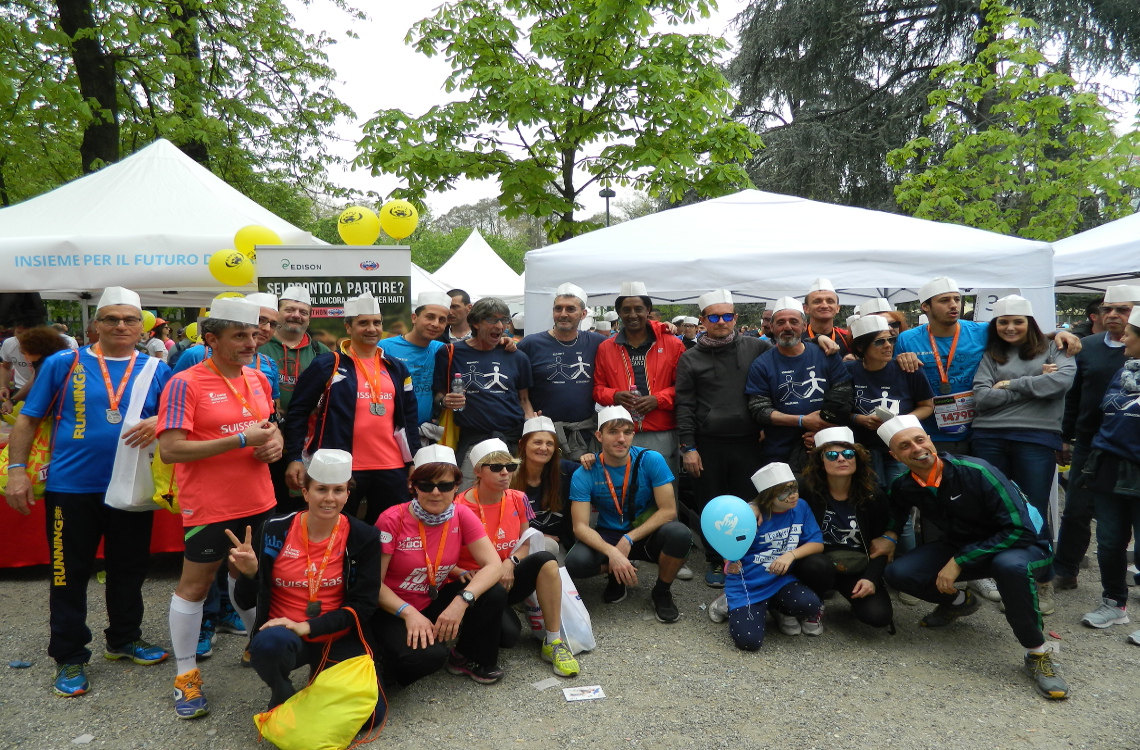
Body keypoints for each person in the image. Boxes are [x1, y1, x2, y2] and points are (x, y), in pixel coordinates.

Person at [5, 287, 171, 698]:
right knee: (67, 574)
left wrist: (159, 421)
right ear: (95, 324)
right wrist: (16, 472)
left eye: (129, 319)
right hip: (71, 488)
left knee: (129, 569)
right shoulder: (66, 361)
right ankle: (70, 655)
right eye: (111, 319)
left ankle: (124, 638)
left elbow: (173, 417)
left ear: (140, 326)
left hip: (132, 486)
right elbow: (27, 420)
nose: (120, 326)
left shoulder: (155, 368)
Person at [874, 415, 1067, 699]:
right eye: (905, 446)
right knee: (899, 573)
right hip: (965, 545)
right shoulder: (905, 484)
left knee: (1009, 567)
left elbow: (1020, 530)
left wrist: (958, 562)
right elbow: (897, 508)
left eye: (920, 439)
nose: (916, 448)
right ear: (895, 455)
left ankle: (1038, 654)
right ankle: (959, 602)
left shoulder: (977, 470)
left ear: (930, 440)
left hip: (1025, 545)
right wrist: (890, 535)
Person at [157, 296, 284, 718]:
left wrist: (275, 444)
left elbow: (269, 428)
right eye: (240, 336)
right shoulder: (186, 382)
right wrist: (239, 441)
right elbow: (171, 450)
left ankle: (258, 646)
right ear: (211, 339)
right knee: (195, 585)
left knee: (251, 576)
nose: (252, 342)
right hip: (209, 506)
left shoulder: (259, 377)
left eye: (253, 334)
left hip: (259, 499)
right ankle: (186, 674)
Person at [229, 449, 386, 726]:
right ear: (306, 492)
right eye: (321, 489)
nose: (329, 498)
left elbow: (364, 606)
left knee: (370, 717)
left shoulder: (364, 536)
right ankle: (282, 691)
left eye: (338, 490)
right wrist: (251, 573)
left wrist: (309, 626)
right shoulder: (274, 529)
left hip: (337, 634)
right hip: (285, 635)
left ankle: (321, 682)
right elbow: (244, 600)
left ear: (348, 494)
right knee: (267, 645)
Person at [972, 295, 1076, 616]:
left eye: (1018, 321)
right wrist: (1034, 383)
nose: (1010, 327)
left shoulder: (1056, 347)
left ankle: (1042, 582)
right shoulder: (992, 354)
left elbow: (1060, 382)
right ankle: (1007, 580)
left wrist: (1009, 384)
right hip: (988, 436)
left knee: (1032, 511)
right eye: (1003, 321)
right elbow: (981, 397)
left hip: (1036, 438)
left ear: (1030, 323)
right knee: (994, 510)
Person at [374, 445, 508, 685]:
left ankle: (469, 658)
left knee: (492, 590)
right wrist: (409, 614)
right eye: (426, 485)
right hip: (392, 609)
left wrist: (461, 601)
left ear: (456, 487)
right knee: (430, 658)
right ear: (413, 486)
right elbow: (374, 584)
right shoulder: (392, 519)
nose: (436, 493)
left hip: (430, 599)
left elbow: (494, 565)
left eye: (445, 485)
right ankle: (380, 660)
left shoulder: (461, 514)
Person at [284, 293, 420, 525]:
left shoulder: (396, 368)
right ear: (348, 327)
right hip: (341, 467)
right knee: (338, 529)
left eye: (376, 323)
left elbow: (409, 417)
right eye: (363, 323)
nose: (371, 328)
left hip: (391, 467)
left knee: (391, 530)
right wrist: (294, 457)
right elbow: (298, 412)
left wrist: (414, 461)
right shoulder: (328, 363)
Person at [454, 439, 581, 677]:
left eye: (510, 467)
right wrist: (461, 572)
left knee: (546, 559)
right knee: (509, 637)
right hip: (477, 583)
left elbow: (526, 539)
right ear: (478, 471)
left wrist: (510, 562)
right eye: (496, 467)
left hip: (506, 575)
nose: (505, 473)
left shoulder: (517, 498)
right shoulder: (458, 507)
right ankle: (467, 637)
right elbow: (445, 556)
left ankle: (553, 642)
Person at [675, 289, 771, 588]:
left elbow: (781, 372)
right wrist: (688, 447)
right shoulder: (690, 358)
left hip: (749, 440)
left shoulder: (757, 348)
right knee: (710, 502)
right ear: (702, 320)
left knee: (749, 501)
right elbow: (685, 405)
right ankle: (716, 560)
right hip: (708, 442)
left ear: (735, 318)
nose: (721, 322)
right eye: (714, 317)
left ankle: (747, 556)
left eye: (727, 316)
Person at [566, 406, 692, 623]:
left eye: (627, 432)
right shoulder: (585, 471)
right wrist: (613, 554)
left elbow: (669, 511)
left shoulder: (651, 459)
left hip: (644, 534)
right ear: (599, 436)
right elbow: (580, 527)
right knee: (575, 563)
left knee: (680, 534)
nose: (621, 439)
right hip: (609, 534)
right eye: (613, 432)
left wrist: (629, 538)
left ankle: (661, 591)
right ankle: (619, 573)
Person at [1055, 284, 1138, 589]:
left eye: (1122, 309)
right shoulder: (1085, 346)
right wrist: (1063, 437)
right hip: (1089, 444)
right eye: (1108, 309)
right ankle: (1065, 568)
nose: (1113, 315)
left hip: (1132, 449)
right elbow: (1072, 398)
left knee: (1125, 518)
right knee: (1076, 509)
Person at [1074, 306, 1140, 645]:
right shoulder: (1125, 370)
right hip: (1109, 467)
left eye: (1130, 333)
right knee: (1111, 541)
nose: (1122, 337)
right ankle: (1114, 603)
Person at [712, 463, 825, 650]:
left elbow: (817, 543)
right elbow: (728, 548)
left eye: (794, 488)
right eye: (785, 491)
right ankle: (726, 602)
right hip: (748, 584)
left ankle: (776, 608)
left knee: (811, 604)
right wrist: (728, 565)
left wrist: (791, 555)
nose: (793, 495)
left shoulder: (801, 507)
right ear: (768, 496)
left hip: (779, 580)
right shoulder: (748, 516)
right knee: (749, 642)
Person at [793, 427, 894, 633]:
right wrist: (756, 506)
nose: (841, 459)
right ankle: (815, 602)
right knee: (816, 565)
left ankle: (852, 601)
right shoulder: (806, 489)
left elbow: (881, 544)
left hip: (856, 566)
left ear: (857, 459)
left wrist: (871, 578)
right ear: (821, 462)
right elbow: (773, 496)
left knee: (878, 616)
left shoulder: (872, 496)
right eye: (832, 455)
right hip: (818, 563)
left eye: (848, 454)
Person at [432, 297, 534, 486]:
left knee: (509, 498)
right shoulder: (450, 352)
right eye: (492, 320)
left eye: (504, 320)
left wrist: (531, 429)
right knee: (468, 497)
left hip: (511, 441)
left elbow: (524, 399)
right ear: (476, 322)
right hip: (472, 440)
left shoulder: (517, 356)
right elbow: (438, 394)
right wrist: (445, 401)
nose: (500, 325)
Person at [746, 296, 853, 471]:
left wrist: (822, 426)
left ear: (804, 327)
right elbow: (759, 409)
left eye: (793, 321)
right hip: (780, 452)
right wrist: (802, 421)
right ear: (772, 328)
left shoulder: (826, 354)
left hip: (830, 446)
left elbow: (844, 391)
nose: (787, 327)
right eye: (781, 322)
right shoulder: (761, 364)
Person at [592, 281, 686, 478]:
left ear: (648, 310)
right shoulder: (606, 348)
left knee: (663, 491)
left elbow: (684, 388)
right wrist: (615, 396)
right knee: (624, 491)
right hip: (621, 432)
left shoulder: (672, 345)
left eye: (638, 309)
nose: (632, 315)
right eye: (626, 310)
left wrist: (658, 399)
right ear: (619, 313)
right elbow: (598, 389)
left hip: (661, 431)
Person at [259, 285, 331, 510]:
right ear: (278, 313)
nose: (296, 316)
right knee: (268, 502)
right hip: (264, 440)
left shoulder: (322, 352)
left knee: (302, 505)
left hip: (306, 442)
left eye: (303, 312)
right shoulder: (258, 346)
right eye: (290, 309)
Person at [518, 283, 608, 460]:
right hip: (544, 435)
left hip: (584, 435)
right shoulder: (531, 344)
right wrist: (529, 417)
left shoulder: (597, 342)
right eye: (558, 308)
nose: (563, 314)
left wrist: (662, 328)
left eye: (570, 309)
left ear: (583, 314)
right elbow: (518, 388)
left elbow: (628, 340)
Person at [845, 314, 934, 492]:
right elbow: (837, 409)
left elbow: (927, 406)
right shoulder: (848, 371)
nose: (888, 346)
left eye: (891, 340)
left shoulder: (909, 370)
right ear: (862, 346)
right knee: (871, 498)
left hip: (901, 448)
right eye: (879, 342)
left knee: (900, 495)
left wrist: (902, 422)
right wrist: (858, 419)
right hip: (863, 448)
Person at [510, 416, 580, 556]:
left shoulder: (565, 470)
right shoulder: (507, 474)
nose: (543, 448)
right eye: (537, 442)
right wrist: (534, 537)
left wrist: (591, 459)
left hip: (557, 543)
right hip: (515, 543)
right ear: (522, 444)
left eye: (549, 444)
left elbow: (600, 471)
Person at [378, 290, 448, 426]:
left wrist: (502, 342)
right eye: (430, 317)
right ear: (414, 318)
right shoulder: (385, 347)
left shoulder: (443, 350)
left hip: (425, 430)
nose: (435, 324)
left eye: (442, 320)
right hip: (390, 428)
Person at [802, 278, 853, 356]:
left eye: (830, 301)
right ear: (806, 309)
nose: (824, 306)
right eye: (817, 301)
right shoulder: (798, 338)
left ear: (837, 308)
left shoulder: (847, 338)